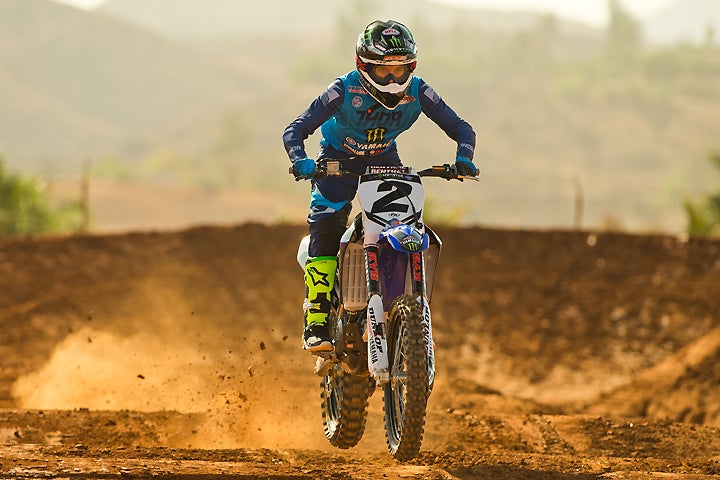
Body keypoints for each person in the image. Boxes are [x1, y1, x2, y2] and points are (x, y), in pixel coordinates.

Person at [283, 19, 478, 352]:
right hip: (336, 159)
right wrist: (300, 159)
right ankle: (316, 317)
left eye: (401, 70)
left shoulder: (418, 91)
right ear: (364, 66)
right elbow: (295, 129)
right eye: (384, 71)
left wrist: (463, 157)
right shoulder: (343, 89)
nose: (393, 79)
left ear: (412, 67)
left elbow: (462, 128)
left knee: (401, 222)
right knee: (327, 224)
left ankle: (399, 298)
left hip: (383, 157)